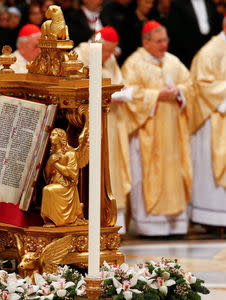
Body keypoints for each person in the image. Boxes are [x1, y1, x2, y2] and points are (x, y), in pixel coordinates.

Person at [121, 21, 194, 236]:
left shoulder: (173, 62)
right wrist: (156, 95)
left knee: (175, 173)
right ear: (146, 42)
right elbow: (127, 93)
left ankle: (176, 223)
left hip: (173, 134)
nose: (164, 45)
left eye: (165, 40)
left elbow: (190, 86)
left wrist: (179, 91)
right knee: (147, 174)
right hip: (148, 133)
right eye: (159, 41)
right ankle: (150, 226)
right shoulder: (134, 63)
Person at [75, 26, 130, 234]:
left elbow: (119, 82)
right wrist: (109, 95)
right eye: (105, 51)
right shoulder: (81, 55)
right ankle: (92, 215)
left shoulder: (110, 59)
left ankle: (115, 216)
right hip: (91, 121)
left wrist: (122, 92)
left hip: (113, 122)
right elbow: (79, 87)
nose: (107, 56)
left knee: (113, 168)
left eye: (111, 52)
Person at [189, 14, 226, 227]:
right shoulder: (210, 51)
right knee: (212, 169)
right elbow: (202, 85)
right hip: (214, 118)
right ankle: (212, 219)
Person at [0, 23, 41, 107]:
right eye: (36, 46)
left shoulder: (42, 66)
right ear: (21, 47)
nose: (40, 51)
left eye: (41, 47)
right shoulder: (8, 67)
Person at [167, 0, 222, 68]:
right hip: (187, 55)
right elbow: (175, 31)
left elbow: (216, 28)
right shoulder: (178, 4)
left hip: (209, 54)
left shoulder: (210, 3)